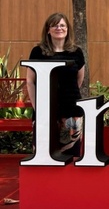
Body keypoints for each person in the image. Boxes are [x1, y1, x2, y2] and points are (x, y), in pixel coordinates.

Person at [26, 13, 85, 156]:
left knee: (70, 154)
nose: (59, 28)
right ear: (48, 30)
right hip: (45, 109)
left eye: (62, 25)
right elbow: (30, 81)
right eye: (55, 25)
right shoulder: (38, 51)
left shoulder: (76, 52)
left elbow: (78, 79)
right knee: (43, 154)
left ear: (68, 29)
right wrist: (36, 106)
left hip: (71, 110)